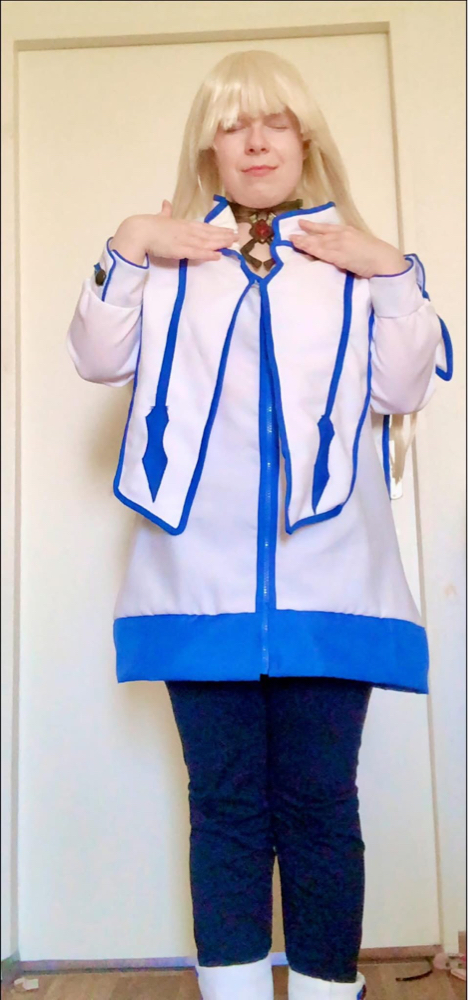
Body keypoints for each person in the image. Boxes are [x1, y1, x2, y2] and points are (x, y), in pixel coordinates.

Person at [66, 49, 452, 1000]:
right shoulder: (167, 263)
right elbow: (96, 356)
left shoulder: (353, 266)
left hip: (334, 581)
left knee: (321, 807)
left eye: (274, 121)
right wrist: (129, 242)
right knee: (227, 809)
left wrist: (393, 272)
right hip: (196, 584)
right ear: (209, 146)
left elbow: (404, 389)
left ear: (305, 137)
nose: (255, 141)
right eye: (233, 125)